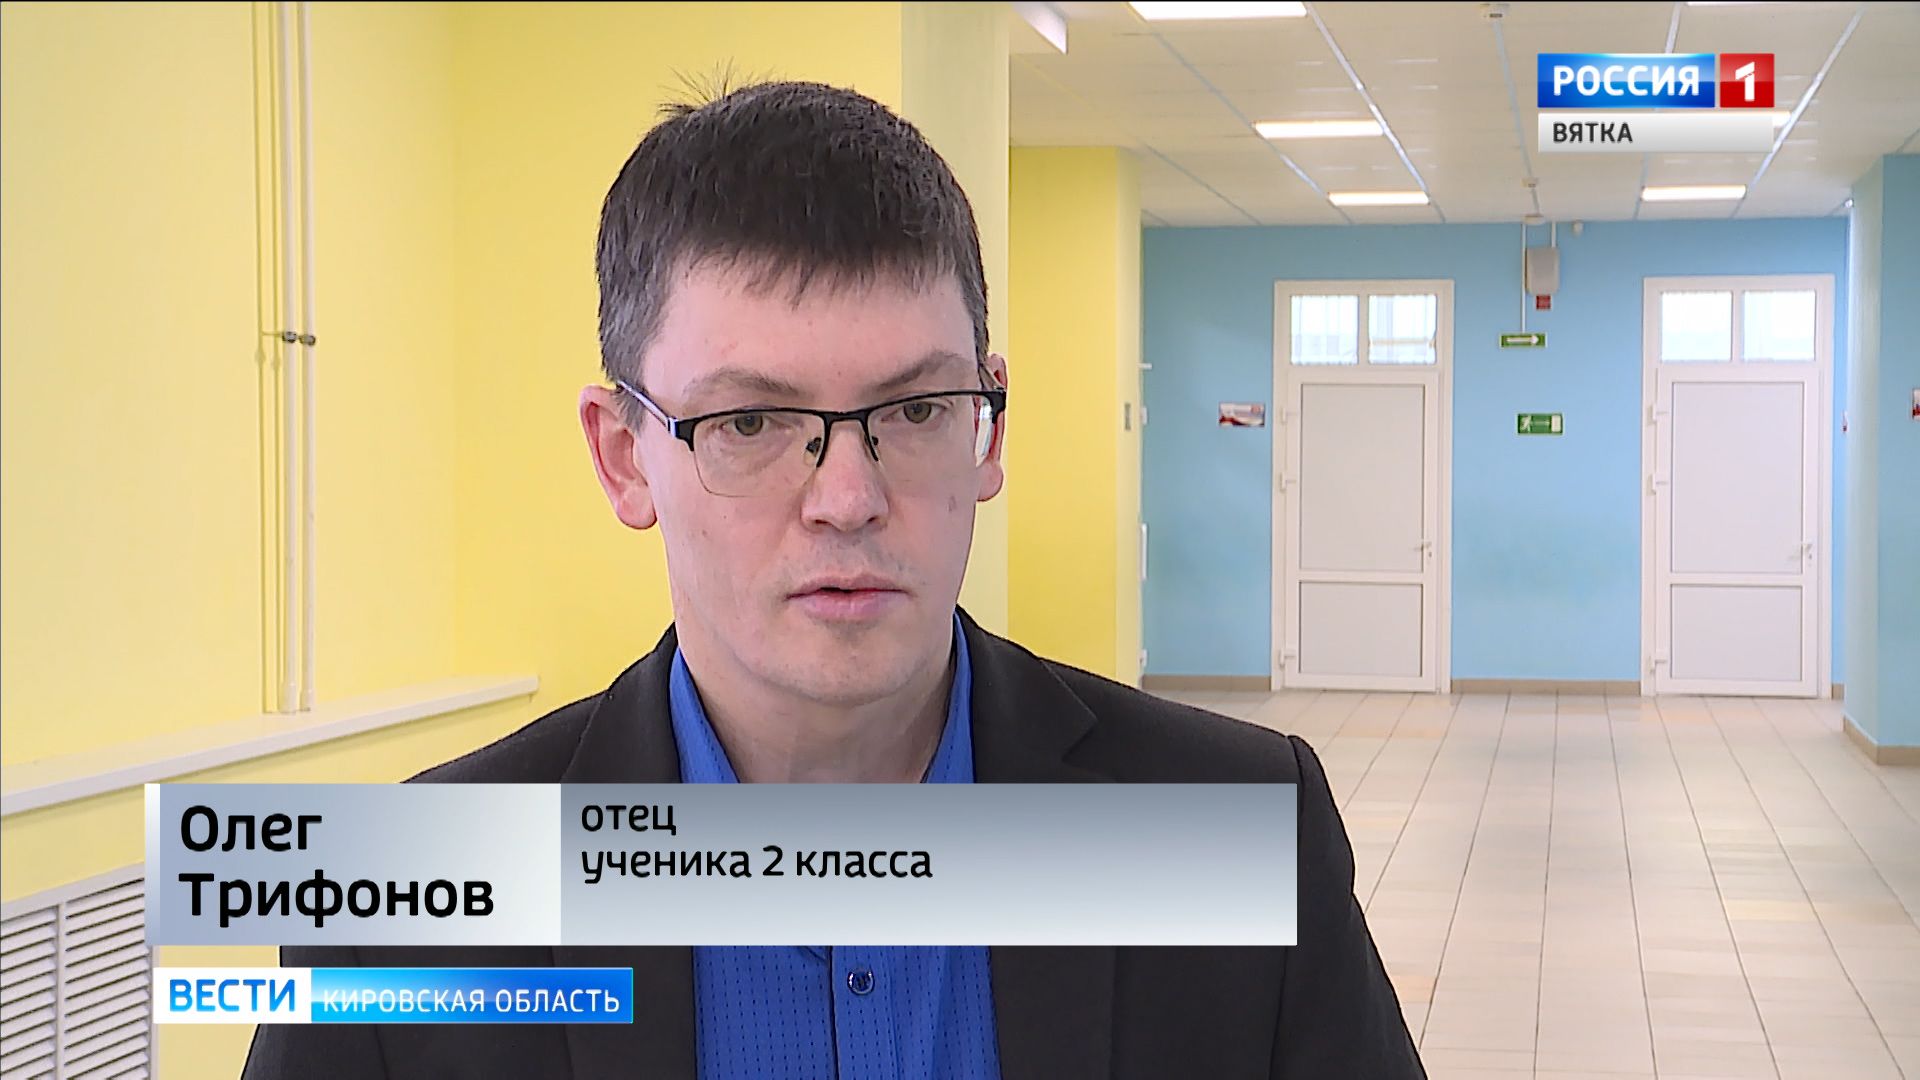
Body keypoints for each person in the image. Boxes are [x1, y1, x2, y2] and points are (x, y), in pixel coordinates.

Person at [243, 80, 1425, 1080]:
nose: (848, 497)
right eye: (751, 422)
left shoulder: (1239, 827)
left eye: (915, 410)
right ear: (624, 458)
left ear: (990, 430)